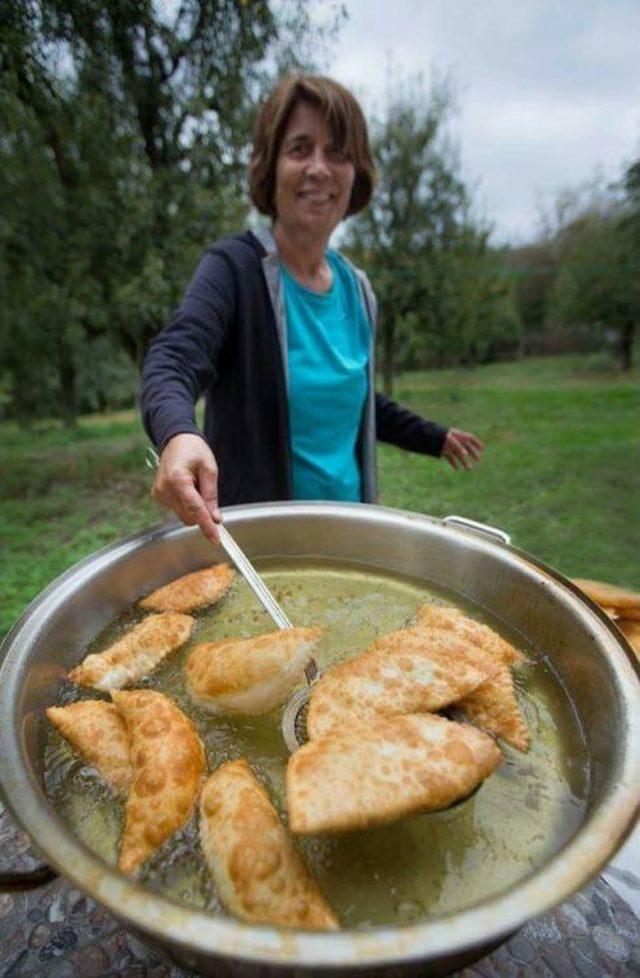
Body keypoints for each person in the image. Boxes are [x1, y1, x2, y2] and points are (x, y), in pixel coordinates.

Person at [141, 74, 484, 544]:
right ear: (271, 166)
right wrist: (178, 432)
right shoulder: (234, 270)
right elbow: (174, 357)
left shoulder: (358, 289)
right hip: (262, 546)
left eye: (338, 153)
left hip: (351, 537)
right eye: (300, 149)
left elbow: (357, 400)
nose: (319, 168)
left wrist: (434, 437)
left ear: (355, 173)